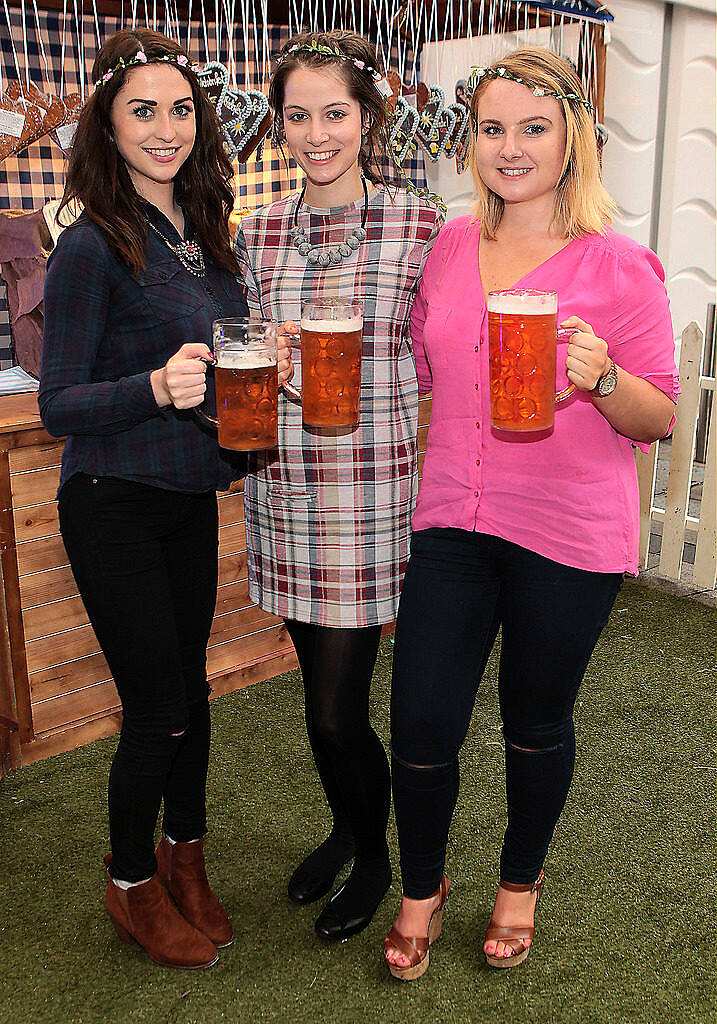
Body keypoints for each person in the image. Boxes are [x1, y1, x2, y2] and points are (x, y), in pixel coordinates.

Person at [383, 46, 678, 980]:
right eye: (492, 128)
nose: (509, 147)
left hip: (567, 532)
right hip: (452, 526)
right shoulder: (449, 246)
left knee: (533, 721)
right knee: (423, 721)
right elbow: (424, 373)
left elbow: (659, 416)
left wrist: (601, 377)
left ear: (571, 139)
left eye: (533, 127)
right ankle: (419, 890)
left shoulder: (623, 267)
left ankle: (518, 884)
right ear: (471, 142)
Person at [39, 28, 291, 969]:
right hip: (111, 503)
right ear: (107, 121)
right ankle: (132, 879)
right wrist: (154, 384)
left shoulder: (207, 239)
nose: (166, 127)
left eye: (180, 108)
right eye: (142, 108)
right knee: (157, 709)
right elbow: (61, 404)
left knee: (193, 693)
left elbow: (223, 376)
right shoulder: (91, 246)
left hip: (188, 499)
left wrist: (259, 399)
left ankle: (187, 860)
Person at [234, 30, 443, 941]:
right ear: (279, 124)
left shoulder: (420, 224)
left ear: (368, 117)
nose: (317, 133)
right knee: (317, 698)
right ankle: (346, 827)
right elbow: (245, 344)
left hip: (366, 494)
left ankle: (374, 858)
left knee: (333, 708)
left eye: (335, 112)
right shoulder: (258, 232)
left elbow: (441, 357)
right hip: (283, 488)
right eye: (298, 115)